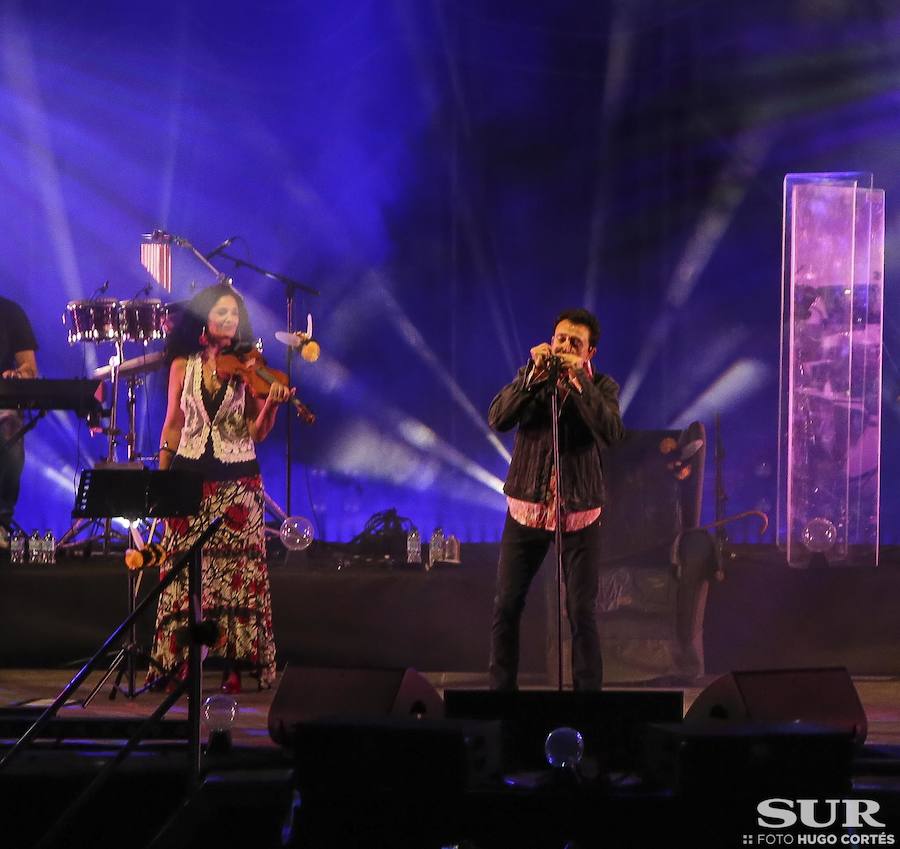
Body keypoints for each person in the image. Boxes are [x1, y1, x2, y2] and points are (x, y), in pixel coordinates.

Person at [149, 282, 293, 694]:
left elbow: (256, 432)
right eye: (221, 313)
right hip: (189, 476)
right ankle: (182, 661)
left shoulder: (251, 368)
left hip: (237, 480)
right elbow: (173, 424)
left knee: (235, 577)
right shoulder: (182, 366)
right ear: (204, 320)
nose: (229, 320)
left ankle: (233, 665)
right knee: (182, 573)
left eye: (234, 314)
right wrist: (162, 478)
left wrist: (271, 404)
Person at [487, 308, 624, 691]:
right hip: (527, 511)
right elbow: (498, 418)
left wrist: (578, 379)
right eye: (559, 339)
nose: (562, 346)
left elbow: (612, 433)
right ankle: (501, 696)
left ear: (589, 352)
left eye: (573, 343)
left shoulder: (603, 388)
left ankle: (587, 701)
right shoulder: (531, 379)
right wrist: (531, 378)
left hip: (579, 513)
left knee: (581, 611)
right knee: (507, 603)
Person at [0, 296, 39, 547]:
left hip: (2, 402)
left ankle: (1, 522)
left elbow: (29, 368)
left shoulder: (10, 312)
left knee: (10, 423)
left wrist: (18, 375)